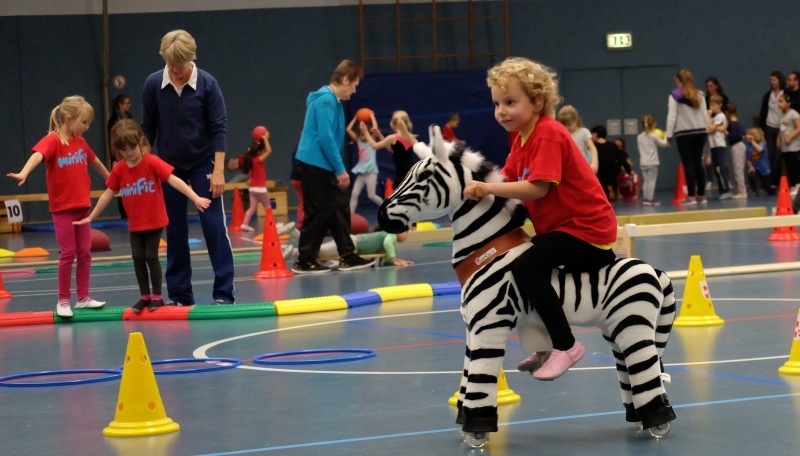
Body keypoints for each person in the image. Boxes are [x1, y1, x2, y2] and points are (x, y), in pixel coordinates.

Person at [464, 57, 618, 381]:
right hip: (560, 229)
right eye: (496, 103)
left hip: (587, 230)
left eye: (509, 102)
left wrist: (487, 187)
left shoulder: (547, 133)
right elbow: (506, 178)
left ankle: (568, 346)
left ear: (537, 102)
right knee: (517, 261)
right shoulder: (520, 140)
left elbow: (536, 188)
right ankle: (545, 342)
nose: (501, 111)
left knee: (526, 267)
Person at [74, 120, 211, 313]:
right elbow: (108, 193)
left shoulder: (151, 162)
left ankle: (157, 296)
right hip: (136, 223)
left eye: (132, 147)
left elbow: (174, 180)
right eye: (124, 149)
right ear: (117, 150)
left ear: (140, 141)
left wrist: (195, 197)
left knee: (150, 256)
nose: (129, 152)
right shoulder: (120, 169)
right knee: (137, 257)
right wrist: (92, 217)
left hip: (154, 220)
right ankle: (145, 296)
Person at [141, 29, 235, 305]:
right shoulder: (152, 84)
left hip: (203, 162)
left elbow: (219, 127)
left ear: (192, 58)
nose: (175, 70)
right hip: (169, 166)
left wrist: (218, 170)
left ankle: (223, 293)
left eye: (180, 66)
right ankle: (181, 294)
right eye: (170, 65)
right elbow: (148, 129)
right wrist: (146, 168)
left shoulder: (207, 84)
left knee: (213, 225)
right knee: (175, 229)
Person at [7, 95, 110, 318]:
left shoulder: (81, 143)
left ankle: (83, 298)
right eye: (84, 122)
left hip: (83, 206)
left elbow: (97, 162)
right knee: (68, 253)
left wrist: (112, 180)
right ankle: (63, 300)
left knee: (85, 252)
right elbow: (38, 156)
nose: (87, 127)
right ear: (68, 119)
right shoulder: (54, 140)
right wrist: (24, 172)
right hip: (63, 208)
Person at [292, 59, 376, 274]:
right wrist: (339, 168)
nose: (355, 90)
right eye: (355, 84)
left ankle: (346, 255)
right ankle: (305, 260)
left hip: (319, 163)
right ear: (345, 80)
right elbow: (326, 137)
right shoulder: (327, 100)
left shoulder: (332, 100)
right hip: (316, 164)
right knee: (318, 211)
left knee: (337, 206)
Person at [665, 68, 709, 205]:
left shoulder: (674, 96)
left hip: (684, 133)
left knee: (688, 164)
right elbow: (704, 115)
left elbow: (672, 117)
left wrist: (669, 135)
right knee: (698, 163)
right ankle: (701, 195)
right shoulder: (700, 94)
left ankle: (690, 196)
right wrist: (706, 131)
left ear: (678, 80)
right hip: (700, 131)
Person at [288, 230, 413, 267]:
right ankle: (293, 238)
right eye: (406, 231)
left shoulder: (390, 236)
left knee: (318, 251)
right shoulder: (390, 235)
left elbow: (385, 259)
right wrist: (394, 258)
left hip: (353, 243)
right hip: (352, 244)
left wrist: (397, 261)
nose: (407, 235)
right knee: (319, 252)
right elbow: (387, 244)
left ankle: (290, 247)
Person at [362, 110, 417, 185]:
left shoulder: (392, 138)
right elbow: (390, 148)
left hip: (401, 178)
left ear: (392, 124)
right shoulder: (412, 138)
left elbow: (374, 146)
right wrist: (379, 134)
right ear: (407, 123)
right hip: (412, 177)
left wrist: (365, 132)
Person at [346, 114, 384, 214]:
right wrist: (355, 117)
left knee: (371, 195)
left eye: (365, 134)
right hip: (362, 173)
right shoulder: (358, 140)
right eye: (362, 134)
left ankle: (386, 208)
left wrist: (372, 117)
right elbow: (348, 129)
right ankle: (351, 215)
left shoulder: (372, 141)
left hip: (371, 172)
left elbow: (375, 129)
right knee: (354, 193)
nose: (363, 137)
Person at [239, 130, 273, 232]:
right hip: (261, 189)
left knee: (252, 208)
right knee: (268, 207)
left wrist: (250, 179)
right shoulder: (259, 160)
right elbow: (269, 151)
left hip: (252, 189)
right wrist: (266, 139)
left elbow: (250, 174)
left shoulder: (251, 161)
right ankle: (272, 225)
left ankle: (244, 224)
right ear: (258, 152)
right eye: (261, 151)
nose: (263, 152)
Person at [107, 94, 133, 219]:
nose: (129, 106)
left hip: (131, 155)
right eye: (127, 103)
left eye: (129, 103)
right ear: (120, 105)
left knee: (132, 182)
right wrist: (113, 159)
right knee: (121, 183)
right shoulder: (113, 120)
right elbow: (110, 141)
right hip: (118, 156)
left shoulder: (130, 118)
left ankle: (134, 210)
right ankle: (124, 212)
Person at [759, 71, 785, 191]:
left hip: (781, 126)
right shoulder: (767, 95)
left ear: (780, 80)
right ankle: (771, 182)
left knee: (778, 154)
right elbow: (763, 111)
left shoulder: (785, 94)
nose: (772, 82)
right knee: (770, 153)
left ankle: (779, 179)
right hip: (769, 126)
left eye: (774, 80)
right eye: (771, 80)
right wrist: (762, 128)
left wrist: (783, 126)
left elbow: (786, 111)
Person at [591, 125, 631, 201]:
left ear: (596, 134)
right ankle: (611, 190)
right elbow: (622, 159)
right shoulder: (612, 145)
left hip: (598, 178)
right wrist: (628, 170)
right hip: (612, 177)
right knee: (611, 202)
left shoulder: (593, 147)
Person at [636, 114, 669, 205]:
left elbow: (642, 148)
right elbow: (664, 144)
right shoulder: (654, 136)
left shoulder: (639, 137)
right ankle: (650, 199)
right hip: (652, 162)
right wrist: (666, 135)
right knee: (652, 181)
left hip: (643, 162)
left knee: (646, 181)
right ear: (653, 125)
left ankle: (646, 199)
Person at [557, 105, 598, 173]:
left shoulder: (584, 131)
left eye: (569, 125)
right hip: (568, 169)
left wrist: (594, 162)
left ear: (575, 120)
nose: (567, 128)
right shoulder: (562, 134)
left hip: (583, 168)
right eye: (564, 125)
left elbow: (592, 148)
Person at [707, 94, 732, 200]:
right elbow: (709, 129)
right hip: (713, 146)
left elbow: (711, 129)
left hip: (719, 146)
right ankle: (722, 189)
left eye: (713, 105)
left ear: (720, 105)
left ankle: (726, 189)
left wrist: (708, 117)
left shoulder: (721, 116)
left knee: (721, 168)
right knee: (716, 169)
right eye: (710, 105)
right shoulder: (715, 118)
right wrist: (720, 129)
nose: (711, 108)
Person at [777, 93, 800, 194]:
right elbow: (782, 127)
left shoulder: (794, 114)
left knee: (793, 165)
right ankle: (792, 185)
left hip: (793, 145)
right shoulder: (782, 115)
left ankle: (797, 185)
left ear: (788, 103)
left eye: (781, 101)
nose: (779, 104)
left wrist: (791, 136)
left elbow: (799, 127)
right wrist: (779, 138)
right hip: (785, 146)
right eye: (779, 101)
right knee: (788, 166)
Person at [725, 103, 748, 199]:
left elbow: (735, 136)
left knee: (738, 170)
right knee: (737, 169)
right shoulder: (738, 123)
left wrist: (726, 132)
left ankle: (742, 191)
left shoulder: (732, 124)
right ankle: (738, 189)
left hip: (737, 146)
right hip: (739, 146)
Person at [745, 127, 771, 196]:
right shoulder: (748, 146)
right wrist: (751, 167)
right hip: (756, 168)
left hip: (764, 169)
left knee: (767, 188)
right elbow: (748, 158)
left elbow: (760, 150)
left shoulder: (761, 143)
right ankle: (755, 190)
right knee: (751, 175)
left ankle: (768, 188)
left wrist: (752, 141)